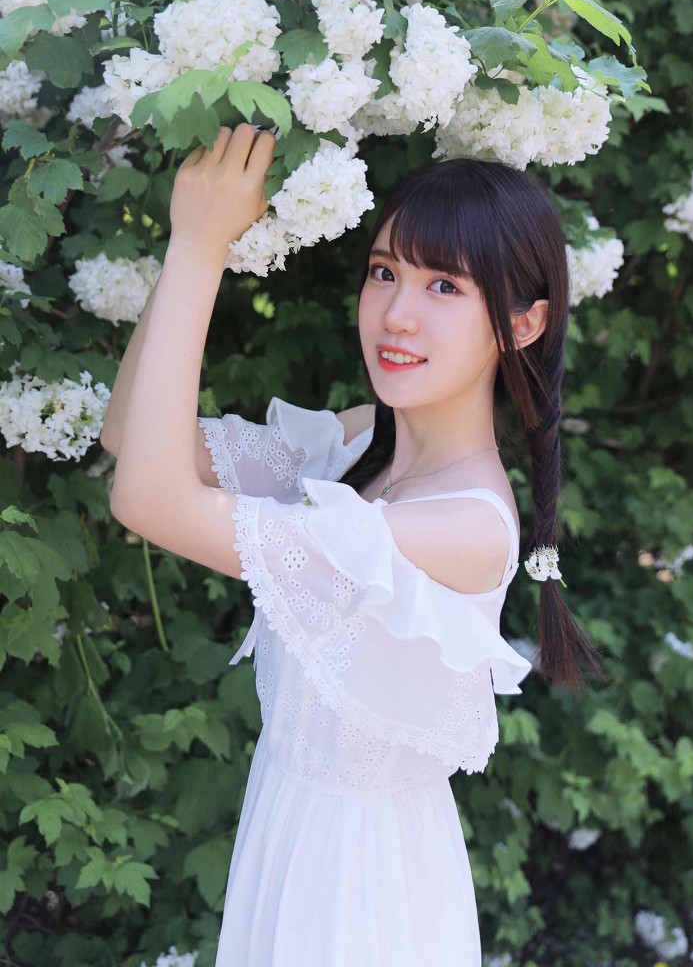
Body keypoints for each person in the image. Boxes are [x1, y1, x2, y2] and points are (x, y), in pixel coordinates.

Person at [100, 123, 607, 967]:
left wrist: (200, 245)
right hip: (290, 834)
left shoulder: (466, 527)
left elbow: (147, 501)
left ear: (524, 324)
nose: (397, 315)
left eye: (444, 286)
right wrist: (192, 245)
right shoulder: (358, 440)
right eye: (383, 272)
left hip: (358, 887)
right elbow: (131, 436)